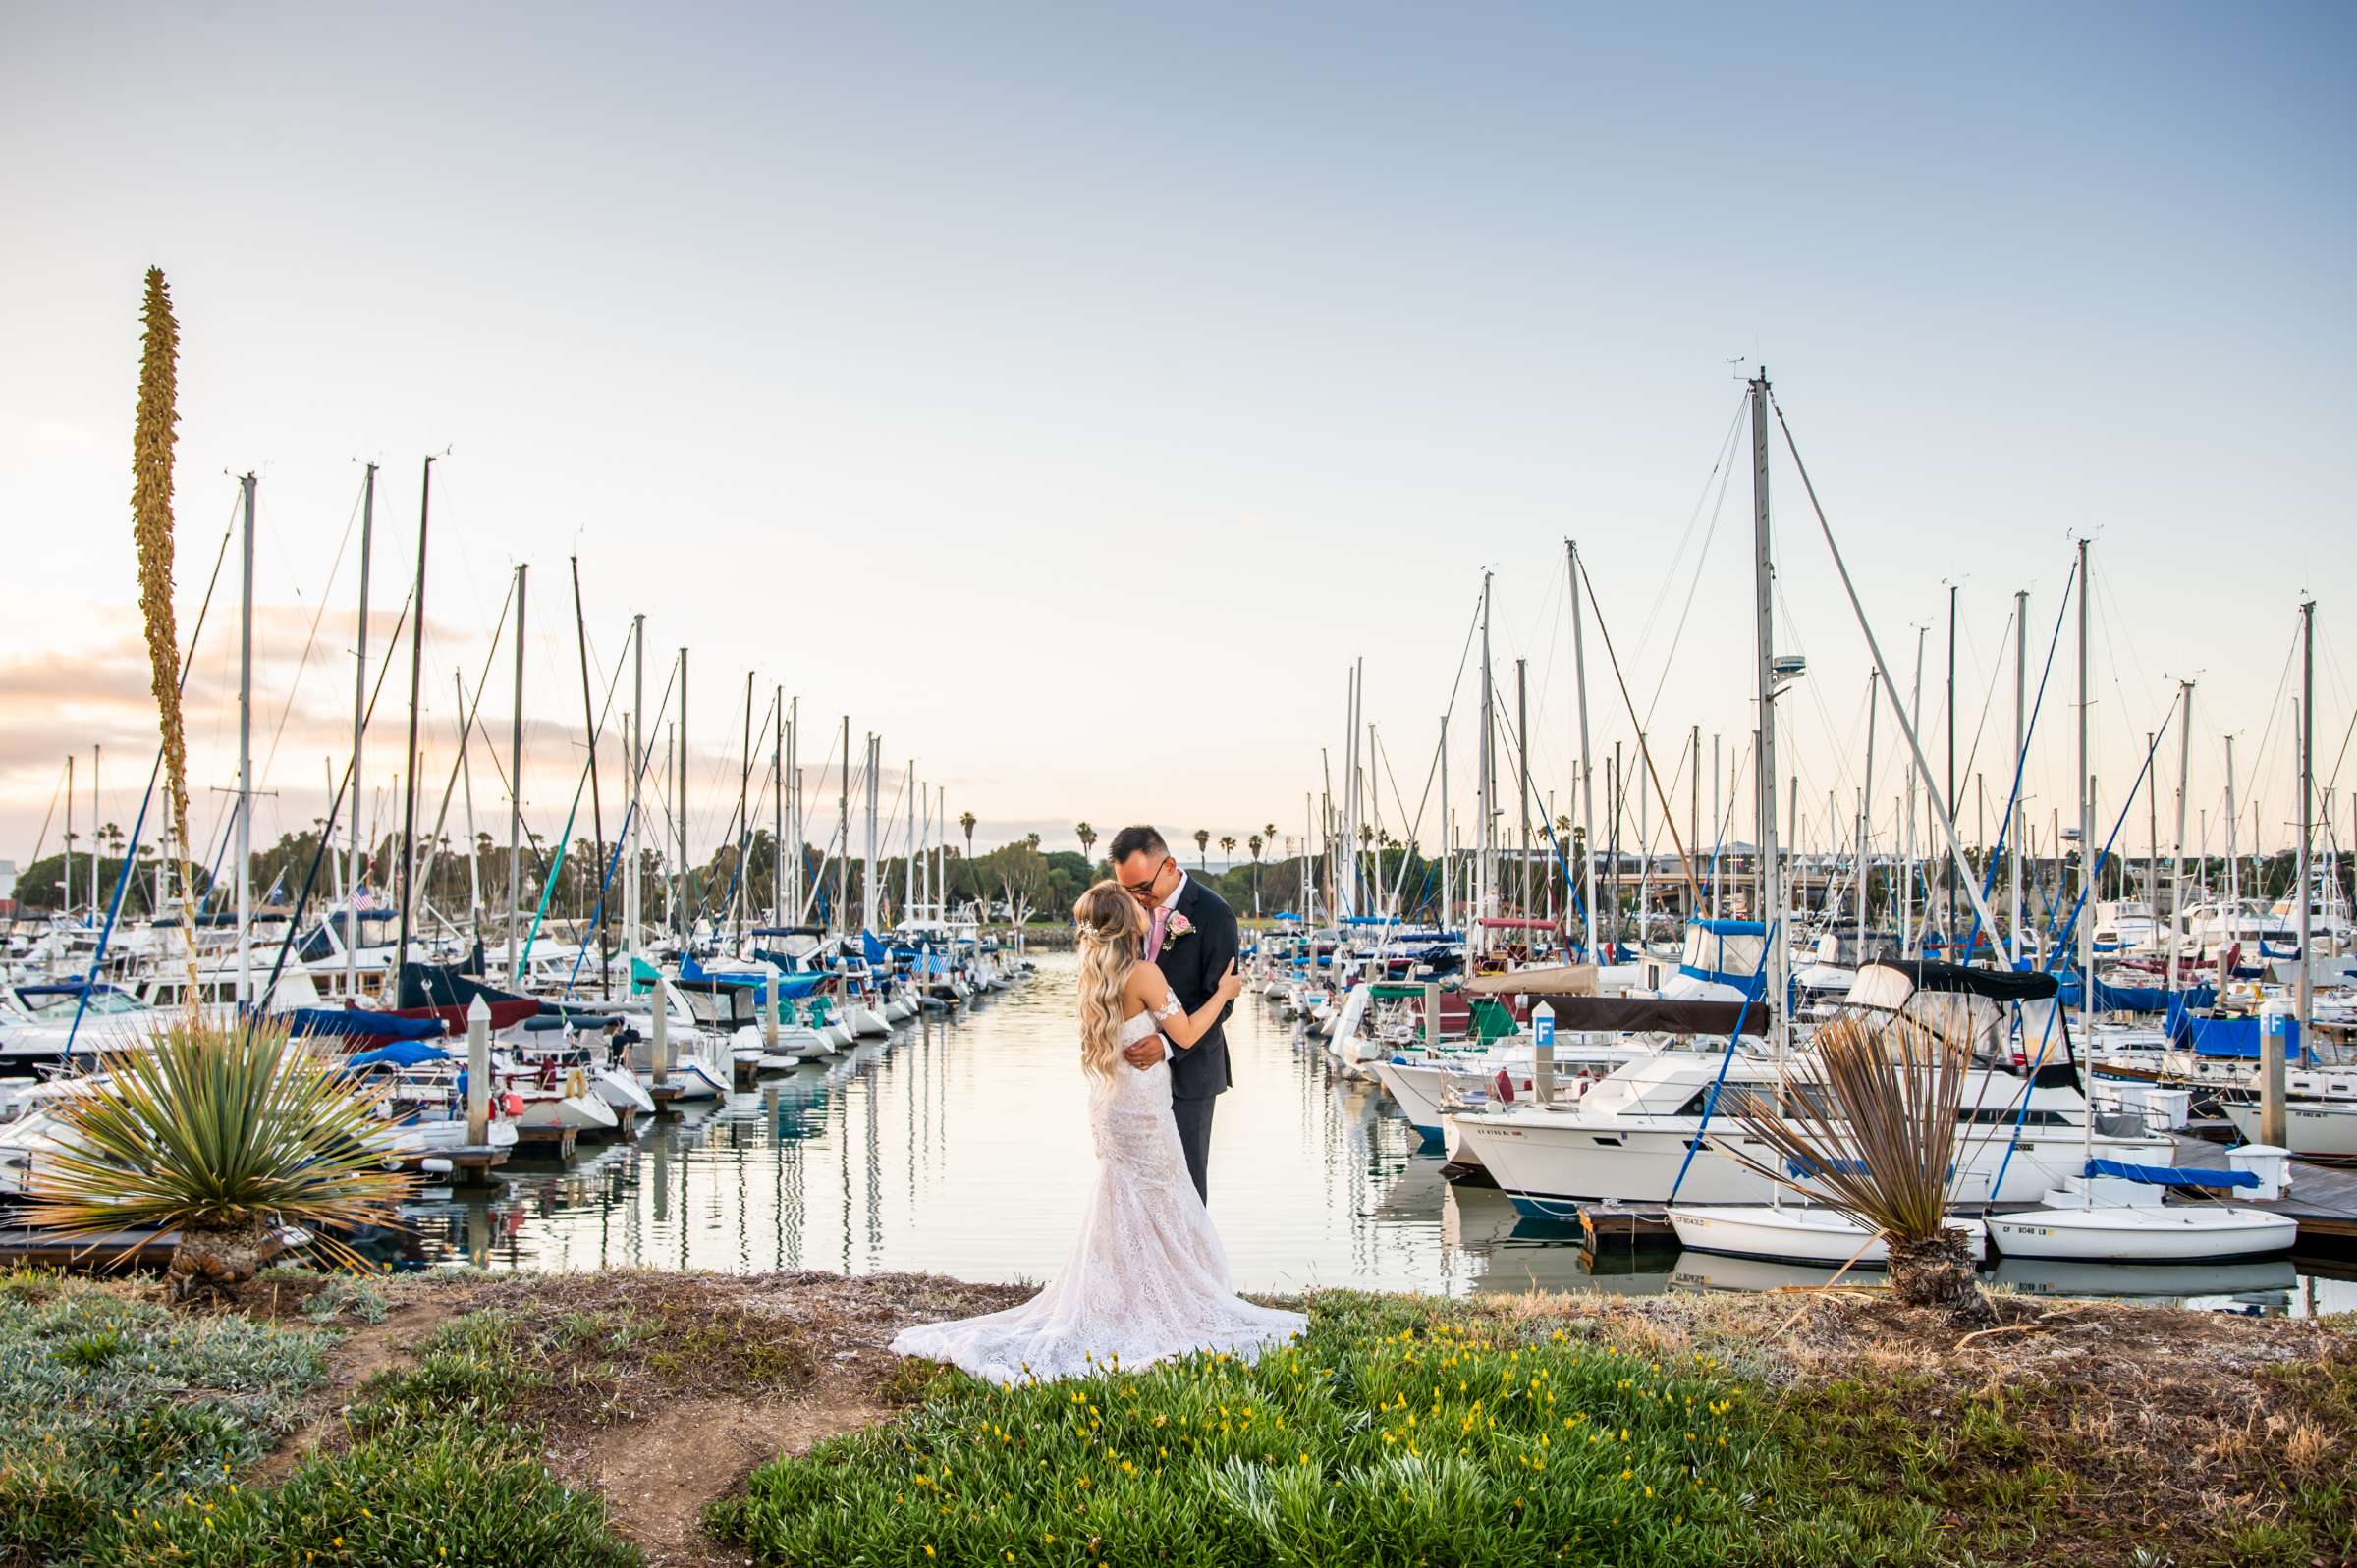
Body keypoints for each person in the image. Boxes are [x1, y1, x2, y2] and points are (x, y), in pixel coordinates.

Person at [888, 881, 1304, 1385]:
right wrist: (1224, 993)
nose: (1147, 905)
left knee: (1127, 1204)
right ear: (1127, 922)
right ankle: (1166, 1301)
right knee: (1164, 1200)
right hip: (1144, 1110)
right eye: (1137, 904)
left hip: (1113, 1107)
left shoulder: (1096, 974)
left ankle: (1131, 1296)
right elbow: (1190, 1034)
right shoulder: (1145, 973)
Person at [1106, 824, 1239, 1203]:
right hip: (1135, 1081)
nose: (1137, 898)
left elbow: (1222, 1001)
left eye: (1143, 888)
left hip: (1191, 1071)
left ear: (1169, 865)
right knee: (1139, 1188)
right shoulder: (1130, 911)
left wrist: (1166, 1046)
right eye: (1127, 890)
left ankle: (1189, 1264)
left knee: (1186, 1189)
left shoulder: (1215, 914)